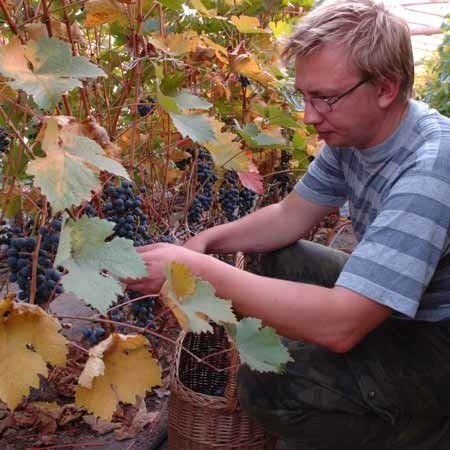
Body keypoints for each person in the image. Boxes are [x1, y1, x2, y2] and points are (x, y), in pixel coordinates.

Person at [127, 0, 450, 448]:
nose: (308, 116)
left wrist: (203, 272)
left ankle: (422, 429)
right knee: (276, 257)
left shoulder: (431, 169)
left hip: (437, 336)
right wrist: (206, 242)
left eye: (325, 98)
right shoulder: (355, 135)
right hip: (403, 309)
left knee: (270, 386)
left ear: (386, 88)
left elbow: (343, 325)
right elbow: (289, 216)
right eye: (304, 95)